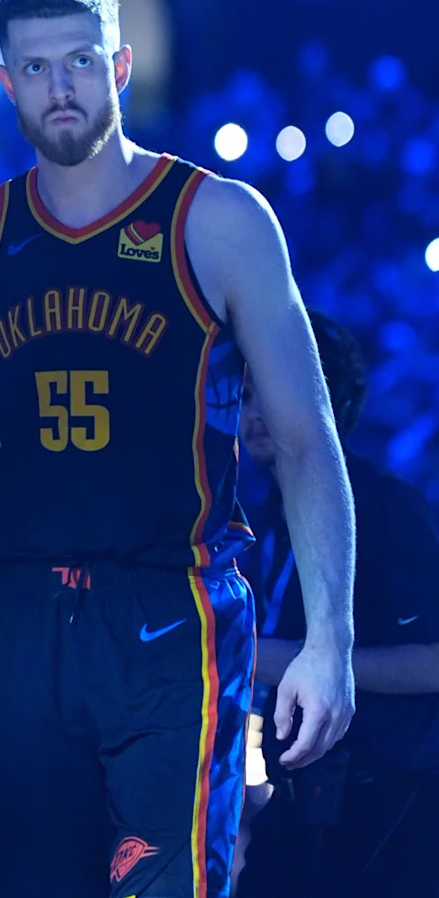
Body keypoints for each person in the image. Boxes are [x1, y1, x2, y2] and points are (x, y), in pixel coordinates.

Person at [0, 0, 356, 898]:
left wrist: (329, 640)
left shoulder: (216, 218)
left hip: (169, 609)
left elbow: (307, 437)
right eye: (37, 66)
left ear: (122, 66)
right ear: (7, 80)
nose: (61, 88)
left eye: (81, 61)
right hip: (19, 623)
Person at [236, 310, 439, 898]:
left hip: (393, 811)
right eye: (245, 394)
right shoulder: (262, 515)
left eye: (273, 392)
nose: (255, 412)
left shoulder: (383, 508)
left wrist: (282, 660)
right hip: (307, 804)